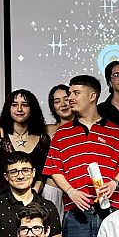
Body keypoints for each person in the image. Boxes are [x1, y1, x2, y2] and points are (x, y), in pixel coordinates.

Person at [43, 74, 119, 237]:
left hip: (111, 212)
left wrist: (114, 183)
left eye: (75, 93)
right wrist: (71, 191)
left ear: (92, 96)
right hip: (77, 214)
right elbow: (54, 169)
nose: (69, 98)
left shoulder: (115, 131)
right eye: (69, 93)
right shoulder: (62, 134)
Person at [0, 89, 51, 208]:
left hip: (31, 204)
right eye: (14, 105)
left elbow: (43, 173)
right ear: (8, 108)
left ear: (32, 109)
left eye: (25, 105)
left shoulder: (43, 139)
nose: (19, 109)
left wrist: (34, 193)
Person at [42, 84, 74, 215]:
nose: (63, 104)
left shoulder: (87, 128)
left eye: (66, 99)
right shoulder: (47, 130)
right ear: (52, 107)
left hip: (78, 190)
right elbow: (19, 125)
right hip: (53, 189)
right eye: (57, 101)